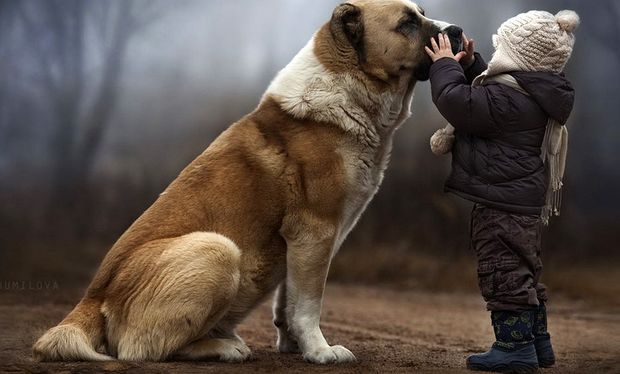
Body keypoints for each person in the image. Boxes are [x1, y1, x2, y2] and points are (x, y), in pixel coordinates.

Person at [424, 9, 580, 373]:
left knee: (503, 272)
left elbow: (456, 101)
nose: (495, 57)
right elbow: (485, 94)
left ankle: (514, 348)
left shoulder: (508, 101)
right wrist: (469, 65)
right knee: (523, 271)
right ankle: (537, 343)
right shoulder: (529, 93)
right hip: (519, 202)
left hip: (501, 204)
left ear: (518, 57)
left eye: (501, 49)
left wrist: (444, 66)